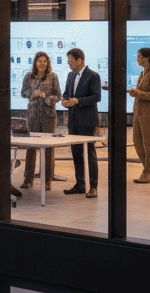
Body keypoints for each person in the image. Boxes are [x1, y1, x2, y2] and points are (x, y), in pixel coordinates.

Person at [60, 47, 101, 198]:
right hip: (73, 120)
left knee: (90, 153)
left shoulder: (93, 76)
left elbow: (96, 97)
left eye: (71, 61)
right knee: (76, 153)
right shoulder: (70, 75)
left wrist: (78, 101)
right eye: (68, 61)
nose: (69, 64)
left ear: (80, 61)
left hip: (88, 120)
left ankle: (94, 187)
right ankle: (80, 184)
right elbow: (66, 94)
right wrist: (65, 101)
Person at [19, 51, 61, 189]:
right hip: (32, 115)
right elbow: (23, 92)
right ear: (35, 63)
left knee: (48, 148)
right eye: (39, 61)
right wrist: (32, 93)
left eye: (44, 61)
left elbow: (58, 95)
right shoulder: (28, 76)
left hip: (48, 115)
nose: (42, 64)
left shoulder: (53, 77)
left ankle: (47, 179)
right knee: (31, 147)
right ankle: (28, 179)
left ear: (47, 63)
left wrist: (48, 99)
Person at [127, 47, 150, 183]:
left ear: (147, 58)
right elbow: (141, 93)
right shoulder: (142, 74)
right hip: (138, 112)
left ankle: (148, 171)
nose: (137, 59)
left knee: (148, 143)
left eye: (140, 57)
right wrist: (134, 92)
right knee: (137, 141)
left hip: (148, 113)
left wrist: (137, 92)